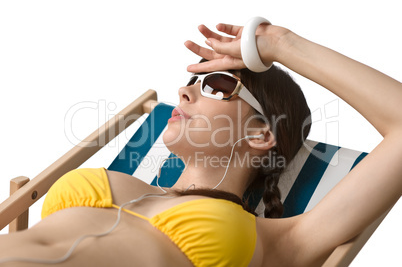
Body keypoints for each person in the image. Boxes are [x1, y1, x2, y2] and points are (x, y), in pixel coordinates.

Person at [0, 19, 401, 267]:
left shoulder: (280, 240)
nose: (184, 92)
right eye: (191, 82)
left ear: (261, 133)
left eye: (216, 85)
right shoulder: (127, 180)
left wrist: (281, 44)